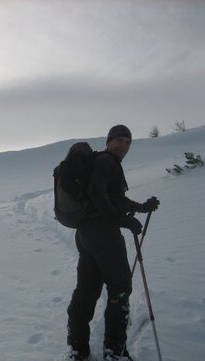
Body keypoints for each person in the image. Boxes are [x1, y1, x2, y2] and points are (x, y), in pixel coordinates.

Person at [66, 125, 159, 361]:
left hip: (86, 236)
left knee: (86, 291)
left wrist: (140, 207)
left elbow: (114, 197)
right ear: (108, 142)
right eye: (119, 140)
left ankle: (78, 349)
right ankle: (114, 352)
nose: (123, 146)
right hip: (105, 237)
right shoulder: (106, 162)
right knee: (119, 289)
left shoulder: (102, 163)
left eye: (128, 142)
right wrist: (124, 221)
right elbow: (98, 194)